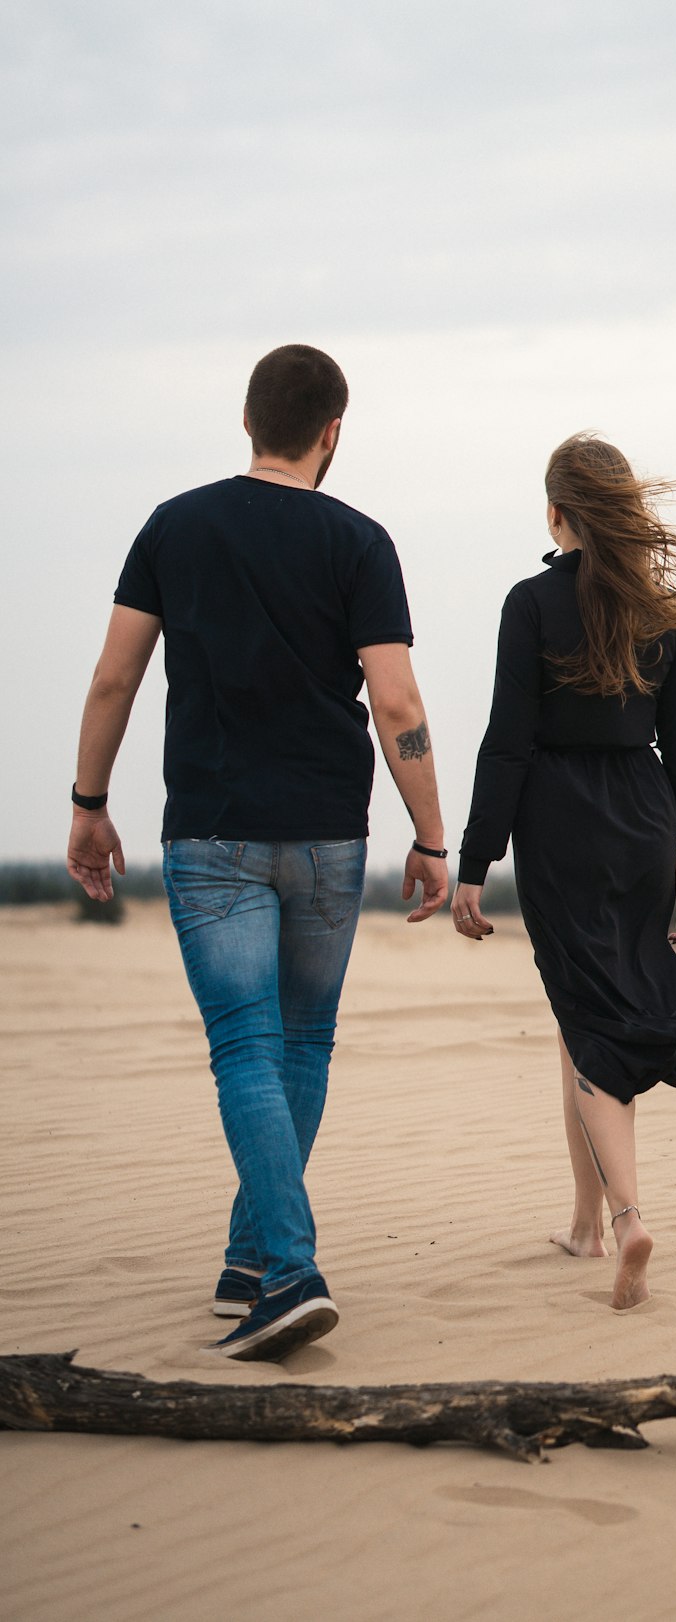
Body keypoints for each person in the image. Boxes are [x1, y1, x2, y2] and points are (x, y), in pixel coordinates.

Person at [67, 344, 448, 1360]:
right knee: (302, 1043)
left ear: (248, 422)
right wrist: (432, 834)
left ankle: (287, 1268)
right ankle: (250, 1258)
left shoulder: (174, 525)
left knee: (246, 1045)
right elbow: (397, 700)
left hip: (214, 833)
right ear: (333, 432)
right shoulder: (362, 541)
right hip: (328, 837)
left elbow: (114, 680)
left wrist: (88, 803)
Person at [453, 433, 676, 1310]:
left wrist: (474, 862)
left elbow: (506, 745)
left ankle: (629, 1219)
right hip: (642, 824)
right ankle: (585, 1226)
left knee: (587, 1019)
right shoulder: (665, 617)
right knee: (581, 1014)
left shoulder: (529, 605)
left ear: (558, 512)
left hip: (558, 827)